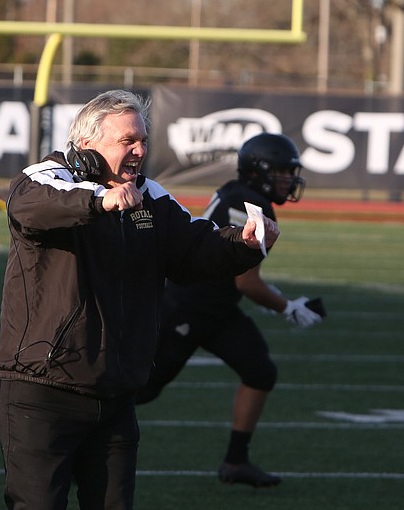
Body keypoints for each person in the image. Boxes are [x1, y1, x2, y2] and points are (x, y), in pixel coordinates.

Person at [0, 89, 278, 510]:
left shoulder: (151, 197)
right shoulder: (47, 178)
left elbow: (195, 249)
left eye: (143, 140)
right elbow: (29, 204)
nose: (139, 151)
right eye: (128, 140)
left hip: (115, 392)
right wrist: (98, 200)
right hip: (42, 389)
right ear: (86, 139)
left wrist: (244, 245)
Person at [136, 133, 323, 488]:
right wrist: (287, 307)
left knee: (260, 371)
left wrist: (274, 297)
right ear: (260, 171)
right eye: (282, 172)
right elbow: (247, 282)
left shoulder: (240, 192)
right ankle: (74, 445)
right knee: (140, 388)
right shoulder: (250, 203)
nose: (289, 179)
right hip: (186, 305)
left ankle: (236, 461)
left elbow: (242, 279)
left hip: (217, 307)